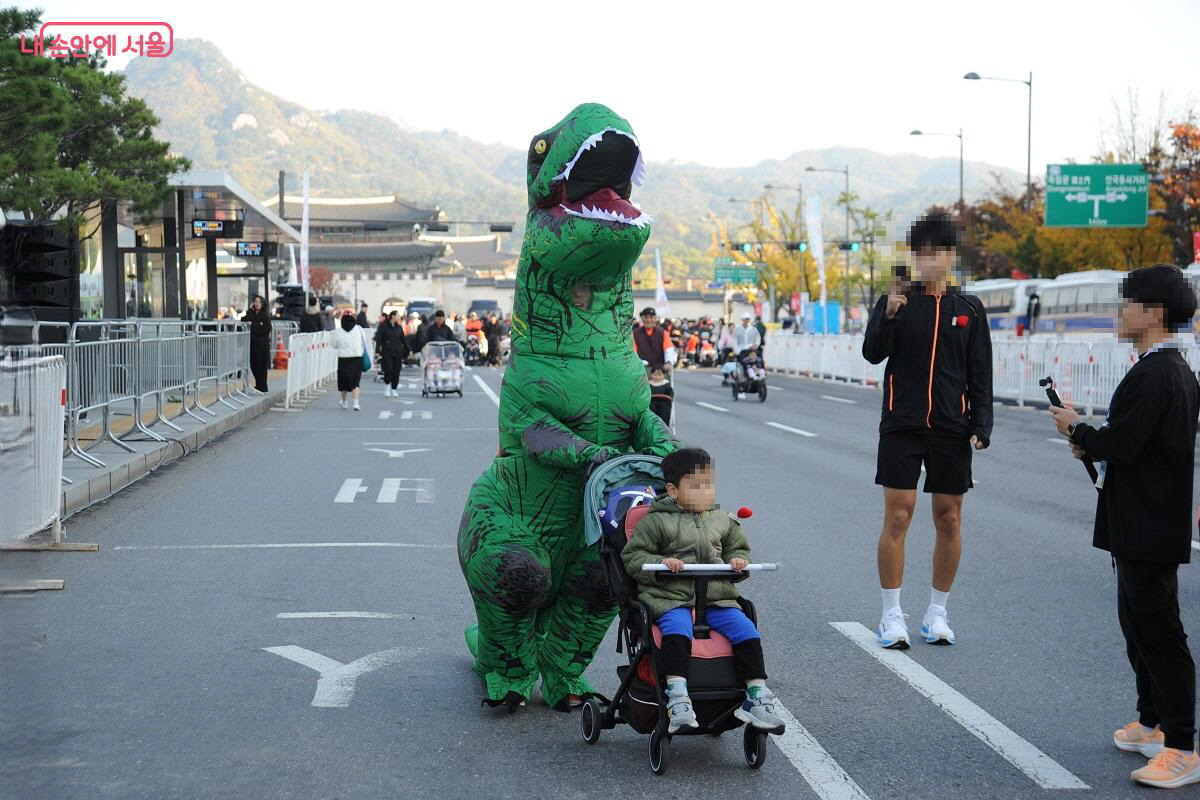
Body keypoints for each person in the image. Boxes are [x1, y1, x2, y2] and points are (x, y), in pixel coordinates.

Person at [1050, 264, 1200, 789]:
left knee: (1159, 632)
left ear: (1154, 313)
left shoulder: (1158, 373)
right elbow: (1133, 442)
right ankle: (1152, 724)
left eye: (1128, 303)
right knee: (1137, 626)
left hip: (1149, 521)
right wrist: (1090, 439)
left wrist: (1079, 429)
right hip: (1141, 519)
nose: (1120, 313)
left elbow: (1124, 442)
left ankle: (1182, 747)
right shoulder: (1166, 369)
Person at [861, 211, 992, 649]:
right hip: (902, 421)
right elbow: (872, 353)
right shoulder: (897, 300)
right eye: (921, 253)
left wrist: (981, 424)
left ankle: (937, 613)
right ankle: (891, 615)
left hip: (952, 426)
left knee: (949, 518)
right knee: (898, 516)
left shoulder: (969, 308)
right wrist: (889, 315)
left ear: (951, 256)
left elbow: (980, 371)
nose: (928, 261)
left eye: (936, 253)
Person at [622, 447, 784, 735]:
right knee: (677, 630)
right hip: (671, 598)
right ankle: (677, 695)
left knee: (746, 630)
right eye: (696, 486)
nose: (706, 492)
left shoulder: (721, 519)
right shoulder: (656, 521)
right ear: (673, 490)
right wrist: (661, 562)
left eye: (709, 485)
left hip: (715, 596)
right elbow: (634, 556)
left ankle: (756, 694)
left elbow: (737, 546)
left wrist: (737, 560)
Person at [332, 312, 369, 410]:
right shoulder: (359, 329)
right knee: (355, 381)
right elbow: (364, 340)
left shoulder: (338, 331)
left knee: (343, 382)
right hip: (357, 357)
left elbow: (333, 344)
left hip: (343, 359)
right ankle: (356, 403)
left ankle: (344, 402)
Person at [242, 295, 272, 393]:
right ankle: (259, 384)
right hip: (253, 343)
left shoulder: (265, 315)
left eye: (259, 302)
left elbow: (267, 328)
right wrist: (250, 310)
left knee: (261, 365)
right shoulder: (252, 313)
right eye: (256, 301)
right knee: (253, 364)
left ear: (262, 303)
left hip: (262, 344)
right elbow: (244, 319)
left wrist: (255, 328)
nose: (257, 303)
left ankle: (262, 386)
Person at [375, 310, 409, 397]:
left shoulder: (399, 327)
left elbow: (403, 339)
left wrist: (409, 349)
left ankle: (394, 389)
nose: (399, 317)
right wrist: (377, 351)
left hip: (398, 352)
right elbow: (379, 339)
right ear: (393, 316)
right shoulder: (383, 326)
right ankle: (387, 386)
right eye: (398, 315)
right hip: (387, 352)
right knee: (388, 370)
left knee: (396, 371)